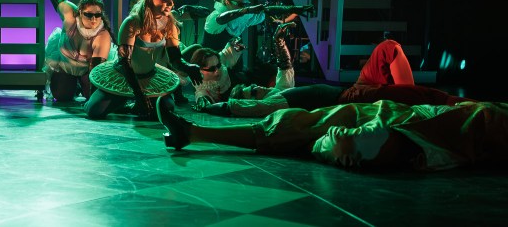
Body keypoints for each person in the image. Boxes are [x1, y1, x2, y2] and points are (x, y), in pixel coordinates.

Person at [158, 98, 508, 172]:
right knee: (315, 123)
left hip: (440, 124)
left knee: (318, 126)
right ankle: (193, 132)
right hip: (415, 115)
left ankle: (193, 132)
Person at [205, 38, 474, 118]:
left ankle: (406, 106)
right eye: (251, 91)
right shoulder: (273, 105)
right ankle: (465, 105)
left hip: (356, 88)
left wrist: (280, 42)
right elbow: (243, 107)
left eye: (251, 86)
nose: (254, 87)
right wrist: (211, 107)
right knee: (422, 96)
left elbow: (285, 68)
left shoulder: (280, 91)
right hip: (351, 99)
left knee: (388, 48)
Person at [84, 0, 203, 120]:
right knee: (94, 111)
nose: (171, 3)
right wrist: (139, 94)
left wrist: (188, 67)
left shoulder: (169, 24)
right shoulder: (132, 22)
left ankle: (132, 106)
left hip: (149, 76)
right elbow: (124, 63)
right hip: (124, 75)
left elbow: (175, 59)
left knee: (167, 108)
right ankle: (124, 101)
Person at [37, 0, 114, 103]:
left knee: (92, 96)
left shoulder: (102, 35)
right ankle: (73, 85)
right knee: (62, 96)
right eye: (89, 15)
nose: (94, 19)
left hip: (88, 71)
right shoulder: (71, 16)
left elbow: (96, 70)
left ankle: (81, 85)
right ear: (80, 13)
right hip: (65, 65)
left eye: (97, 15)